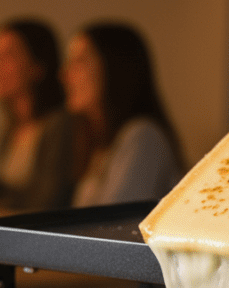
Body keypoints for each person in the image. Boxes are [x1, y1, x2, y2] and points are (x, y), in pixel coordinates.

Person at [63, 22, 186, 207]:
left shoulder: (143, 136)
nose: (65, 74)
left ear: (113, 66)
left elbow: (110, 228)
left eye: (80, 61)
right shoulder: (102, 144)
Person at [0, 18, 75, 213]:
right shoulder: (10, 131)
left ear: (38, 66)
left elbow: (46, 209)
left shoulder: (59, 127)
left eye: (7, 56)